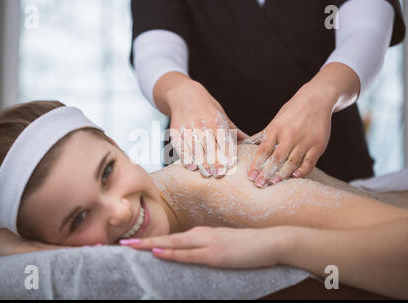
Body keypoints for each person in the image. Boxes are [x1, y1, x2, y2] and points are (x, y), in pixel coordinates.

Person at [0, 101, 407, 298]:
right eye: (78, 220)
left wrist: (280, 243)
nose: (119, 210)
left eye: (108, 171)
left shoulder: (224, 185)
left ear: (117, 143)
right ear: (48, 246)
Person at [130, 0, 406, 186]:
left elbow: (366, 32)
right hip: (207, 165)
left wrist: (323, 94)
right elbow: (156, 50)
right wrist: (181, 93)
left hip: (330, 158)